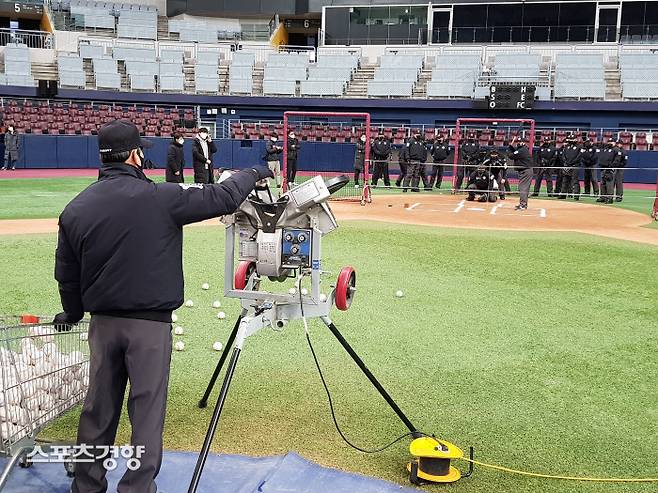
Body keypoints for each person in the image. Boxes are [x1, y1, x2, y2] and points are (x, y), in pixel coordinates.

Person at [54, 119, 273, 493]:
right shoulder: (162, 197)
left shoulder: (76, 208)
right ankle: (136, 487)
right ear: (135, 155)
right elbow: (221, 197)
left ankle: (87, 486)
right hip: (150, 328)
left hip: (102, 326)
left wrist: (72, 311)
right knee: (146, 413)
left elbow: (67, 274)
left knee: (98, 411)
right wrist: (253, 171)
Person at [508, 136, 533, 211]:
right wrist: (510, 147)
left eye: (520, 142)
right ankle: (523, 204)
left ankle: (523, 205)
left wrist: (509, 148)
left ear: (524, 143)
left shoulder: (522, 150)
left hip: (526, 171)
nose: (518, 143)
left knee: (523, 188)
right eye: (517, 142)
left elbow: (511, 156)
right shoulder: (521, 150)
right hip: (525, 171)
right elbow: (514, 152)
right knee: (522, 188)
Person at [596, 138, 621, 204]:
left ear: (614, 143)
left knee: (609, 183)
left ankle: (609, 198)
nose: (610, 143)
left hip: (610, 169)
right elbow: (601, 158)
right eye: (609, 142)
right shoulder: (606, 149)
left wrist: (612, 166)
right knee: (602, 183)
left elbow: (617, 160)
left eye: (611, 142)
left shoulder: (616, 150)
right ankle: (603, 197)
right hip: (603, 168)